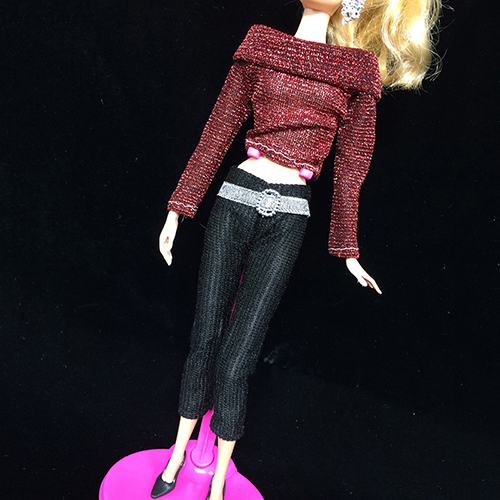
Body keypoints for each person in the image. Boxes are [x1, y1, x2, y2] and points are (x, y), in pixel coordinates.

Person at [152, 1, 441, 499]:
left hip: (289, 215)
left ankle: (219, 480)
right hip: (234, 198)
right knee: (205, 338)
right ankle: (177, 455)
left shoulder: (356, 72)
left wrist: (347, 247)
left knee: (240, 355)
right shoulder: (260, 45)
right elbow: (218, 130)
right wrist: (179, 207)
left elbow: (351, 166)